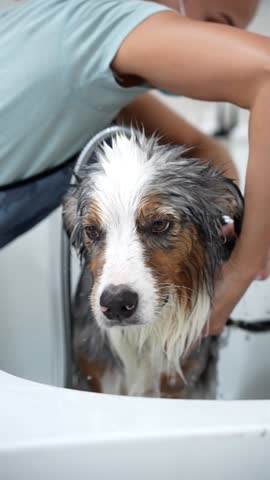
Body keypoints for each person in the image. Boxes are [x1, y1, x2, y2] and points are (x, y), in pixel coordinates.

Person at [0, 0, 269, 336]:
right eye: (221, 24)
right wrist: (242, 270)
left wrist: (230, 226)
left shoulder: (69, 44)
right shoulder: (106, 21)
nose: (225, 43)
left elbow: (201, 151)